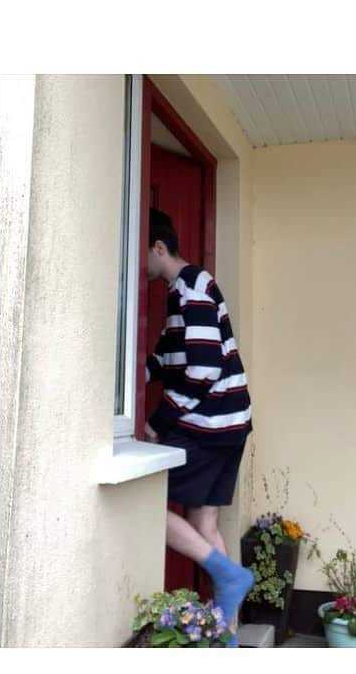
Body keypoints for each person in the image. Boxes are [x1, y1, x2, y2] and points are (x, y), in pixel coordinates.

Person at [143, 209, 255, 646]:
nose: (140, 268)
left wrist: (158, 420)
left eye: (142, 254)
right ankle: (226, 638)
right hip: (229, 424)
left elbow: (204, 370)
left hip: (209, 425)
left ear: (157, 247)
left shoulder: (192, 290)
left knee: (146, 503)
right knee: (204, 524)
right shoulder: (183, 292)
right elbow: (171, 354)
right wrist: (136, 370)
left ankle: (230, 576)